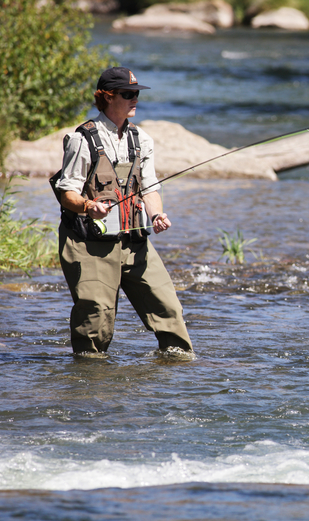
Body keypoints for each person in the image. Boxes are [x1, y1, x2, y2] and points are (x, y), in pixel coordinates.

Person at [55, 66, 193, 355]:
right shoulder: (82, 140)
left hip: (134, 240)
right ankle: (90, 382)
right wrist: (88, 205)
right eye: (128, 94)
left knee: (168, 307)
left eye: (137, 94)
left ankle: (180, 376)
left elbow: (150, 187)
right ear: (107, 97)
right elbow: (66, 192)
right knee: (96, 319)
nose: (135, 100)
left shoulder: (141, 139)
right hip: (88, 244)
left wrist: (156, 215)